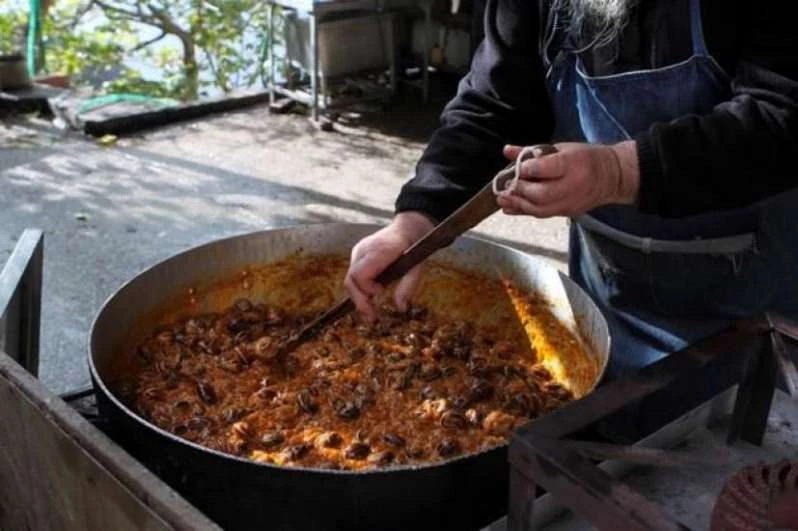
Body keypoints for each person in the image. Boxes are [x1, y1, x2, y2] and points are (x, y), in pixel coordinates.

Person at [344, 0, 798, 438]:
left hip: (755, 317)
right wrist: (417, 220)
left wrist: (618, 171)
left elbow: (782, 115)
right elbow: (494, 103)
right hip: (608, 300)